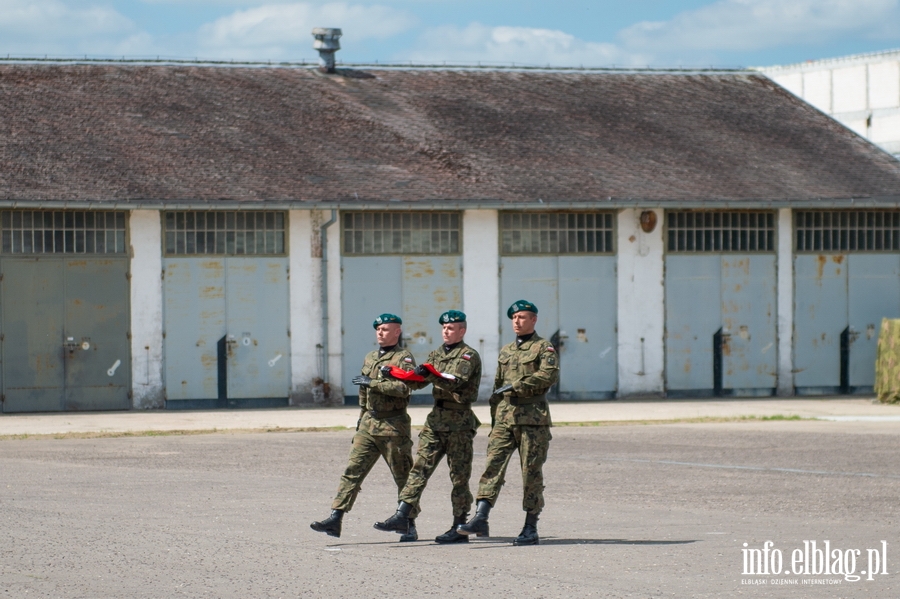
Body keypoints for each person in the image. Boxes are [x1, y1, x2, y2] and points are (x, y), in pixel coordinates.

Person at [373, 310, 482, 544]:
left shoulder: (468, 356)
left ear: (462, 331)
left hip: (459, 421)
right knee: (419, 469)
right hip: (436, 420)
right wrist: (398, 375)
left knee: (459, 477)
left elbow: (454, 382)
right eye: (443, 327)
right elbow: (420, 383)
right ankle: (403, 514)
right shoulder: (436, 353)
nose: (446, 331)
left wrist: (430, 374)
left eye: (451, 328)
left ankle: (459, 526)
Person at [457, 300, 559, 546]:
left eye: (522, 317)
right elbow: (497, 387)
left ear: (533, 320)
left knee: (531, 472)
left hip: (532, 419)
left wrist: (519, 385)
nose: (517, 321)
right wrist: (495, 419)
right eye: (514, 317)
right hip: (505, 418)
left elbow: (549, 375)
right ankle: (481, 517)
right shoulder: (506, 351)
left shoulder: (544, 348)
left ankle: (530, 526)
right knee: (492, 467)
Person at [310, 313, 418, 540]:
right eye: (378, 329)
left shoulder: (404, 358)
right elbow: (363, 392)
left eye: (386, 329)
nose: (380, 332)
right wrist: (360, 421)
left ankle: (408, 523)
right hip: (369, 425)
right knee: (352, 472)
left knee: (403, 476)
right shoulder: (370, 357)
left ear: (397, 332)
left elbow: (405, 389)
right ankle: (335, 518)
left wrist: (375, 383)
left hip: (393, 425)